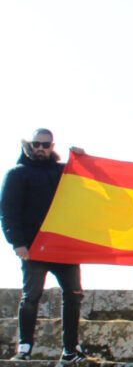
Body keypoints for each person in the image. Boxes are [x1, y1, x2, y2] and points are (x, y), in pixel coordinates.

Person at [1, 129, 87, 364]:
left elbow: (89, 189)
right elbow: (8, 212)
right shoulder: (17, 173)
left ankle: (70, 349)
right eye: (36, 144)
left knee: (74, 295)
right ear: (30, 145)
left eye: (45, 144)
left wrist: (83, 160)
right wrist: (17, 243)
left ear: (52, 146)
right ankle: (25, 348)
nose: (40, 148)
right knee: (31, 296)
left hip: (63, 247)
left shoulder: (63, 172)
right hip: (33, 248)